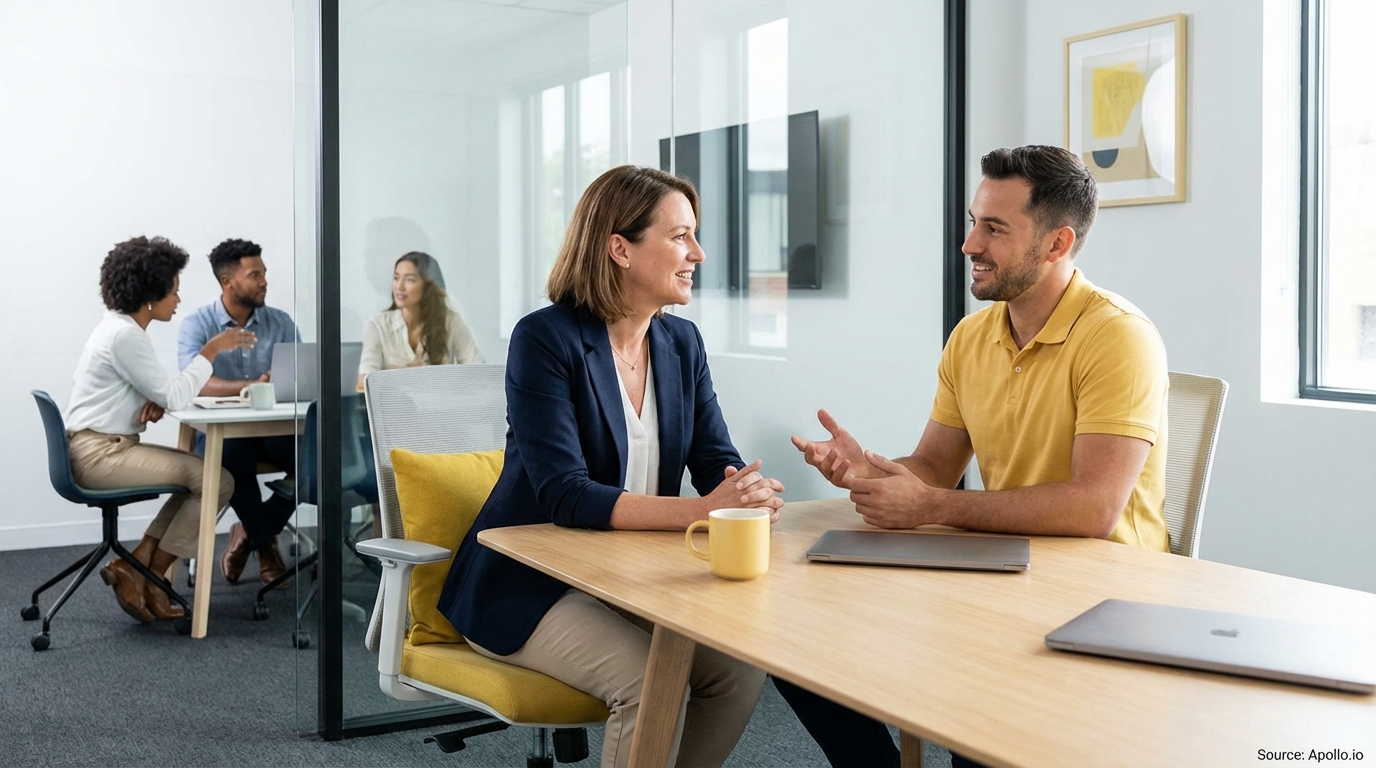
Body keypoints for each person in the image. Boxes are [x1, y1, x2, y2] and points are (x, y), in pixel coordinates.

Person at [779, 145, 1170, 768]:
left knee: (981, 741)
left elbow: (1094, 508)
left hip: (1101, 594)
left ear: (1056, 242)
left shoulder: (1117, 336)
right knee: (797, 642)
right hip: (1001, 572)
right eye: (972, 221)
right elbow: (935, 463)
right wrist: (875, 473)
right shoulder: (971, 336)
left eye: (994, 229)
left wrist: (931, 505)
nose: (969, 244)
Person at [437, 165, 786, 768]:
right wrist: (700, 513)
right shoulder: (545, 339)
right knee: (649, 680)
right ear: (620, 248)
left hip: (628, 577)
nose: (697, 253)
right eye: (680, 236)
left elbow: (712, 458)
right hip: (531, 583)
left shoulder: (682, 343)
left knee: (738, 668)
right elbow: (564, 495)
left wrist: (741, 489)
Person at [66, 236, 255, 623]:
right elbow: (177, 396)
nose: (178, 300)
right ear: (150, 296)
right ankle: (148, 574)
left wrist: (145, 402)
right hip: (99, 455)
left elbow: (159, 394)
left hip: (102, 446)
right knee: (216, 482)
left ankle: (138, 567)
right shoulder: (125, 336)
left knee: (201, 478)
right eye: (173, 292)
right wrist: (210, 352)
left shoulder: (119, 329)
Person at [177, 238, 300, 587]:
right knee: (232, 457)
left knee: (314, 455)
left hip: (275, 432)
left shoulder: (281, 323)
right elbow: (193, 382)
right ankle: (267, 547)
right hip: (225, 436)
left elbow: (304, 373)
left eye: (264, 273)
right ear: (228, 282)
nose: (264, 281)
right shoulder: (198, 325)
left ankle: (251, 531)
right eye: (254, 274)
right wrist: (249, 385)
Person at [356, 251, 481, 390]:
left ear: (428, 286)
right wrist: (410, 373)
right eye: (396, 278)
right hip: (394, 409)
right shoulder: (377, 325)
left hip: (440, 407)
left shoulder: (451, 322)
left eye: (409, 280)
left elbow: (477, 372)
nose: (399, 286)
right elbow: (364, 382)